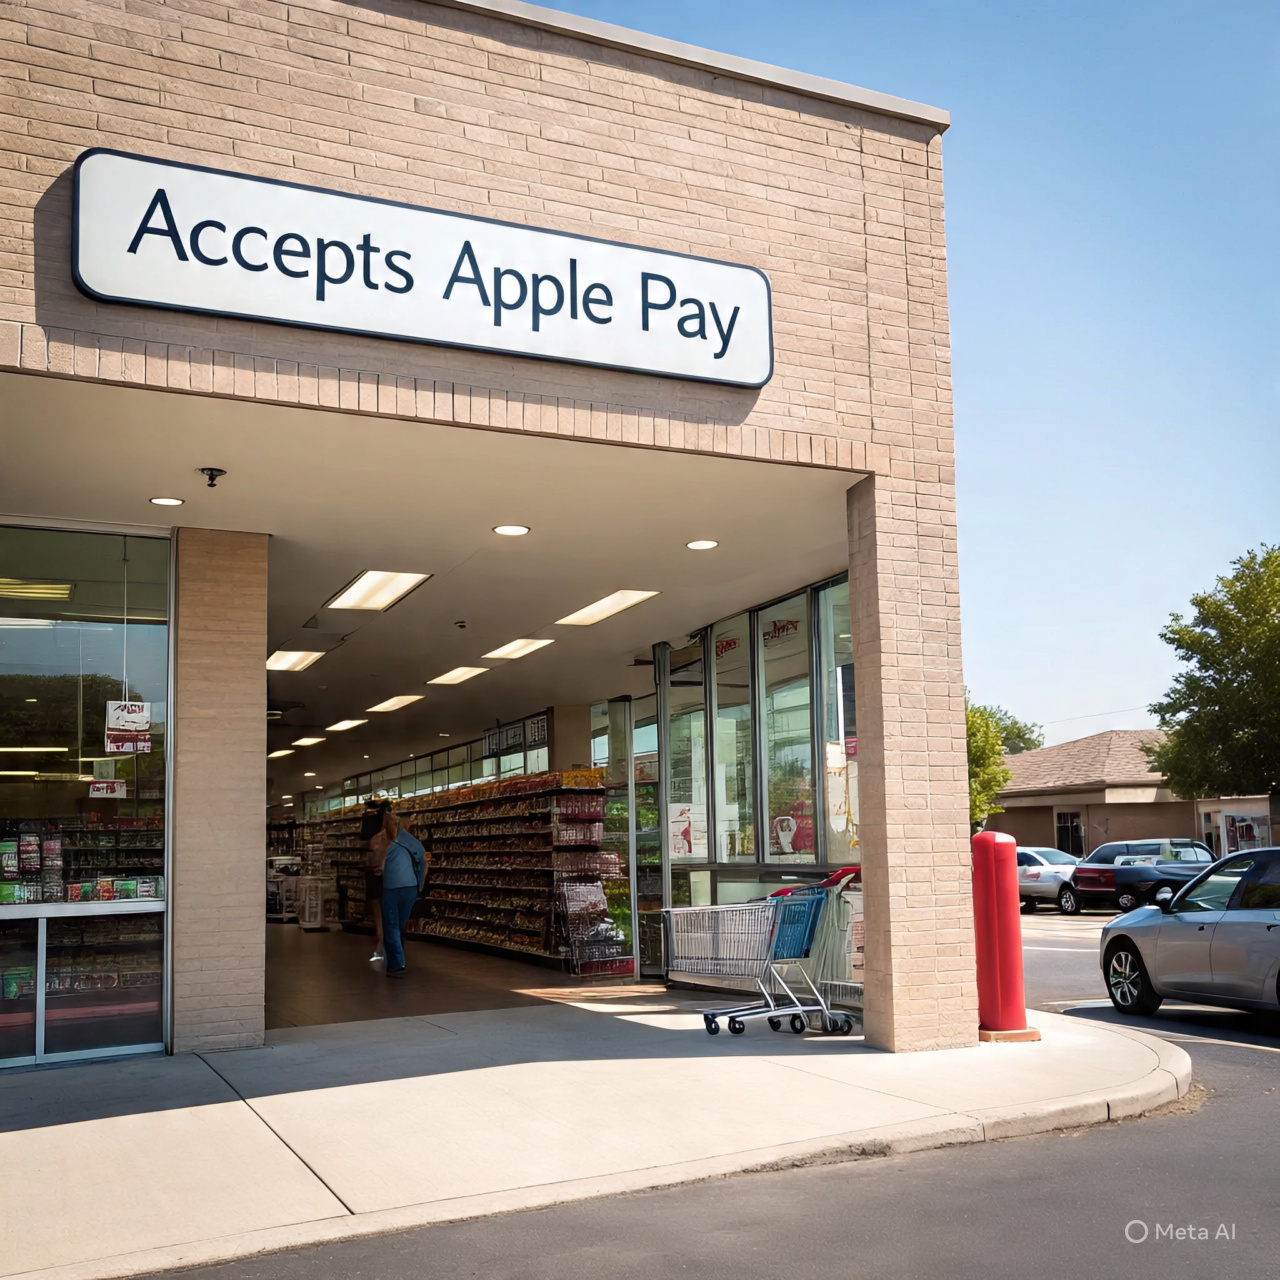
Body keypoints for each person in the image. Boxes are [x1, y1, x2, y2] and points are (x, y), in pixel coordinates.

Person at [379, 808, 426, 978]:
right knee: (399, 925)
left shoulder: (385, 841)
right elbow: (423, 864)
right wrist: (419, 885)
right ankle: (393, 961)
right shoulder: (414, 842)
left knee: (391, 926)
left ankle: (397, 964)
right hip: (410, 888)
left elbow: (379, 865)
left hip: (391, 888)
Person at [361, 800, 389, 962]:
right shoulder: (394, 834)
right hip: (386, 875)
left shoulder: (374, 833)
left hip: (376, 873)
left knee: (378, 908)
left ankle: (381, 939)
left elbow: (370, 847)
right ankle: (384, 940)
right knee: (385, 908)